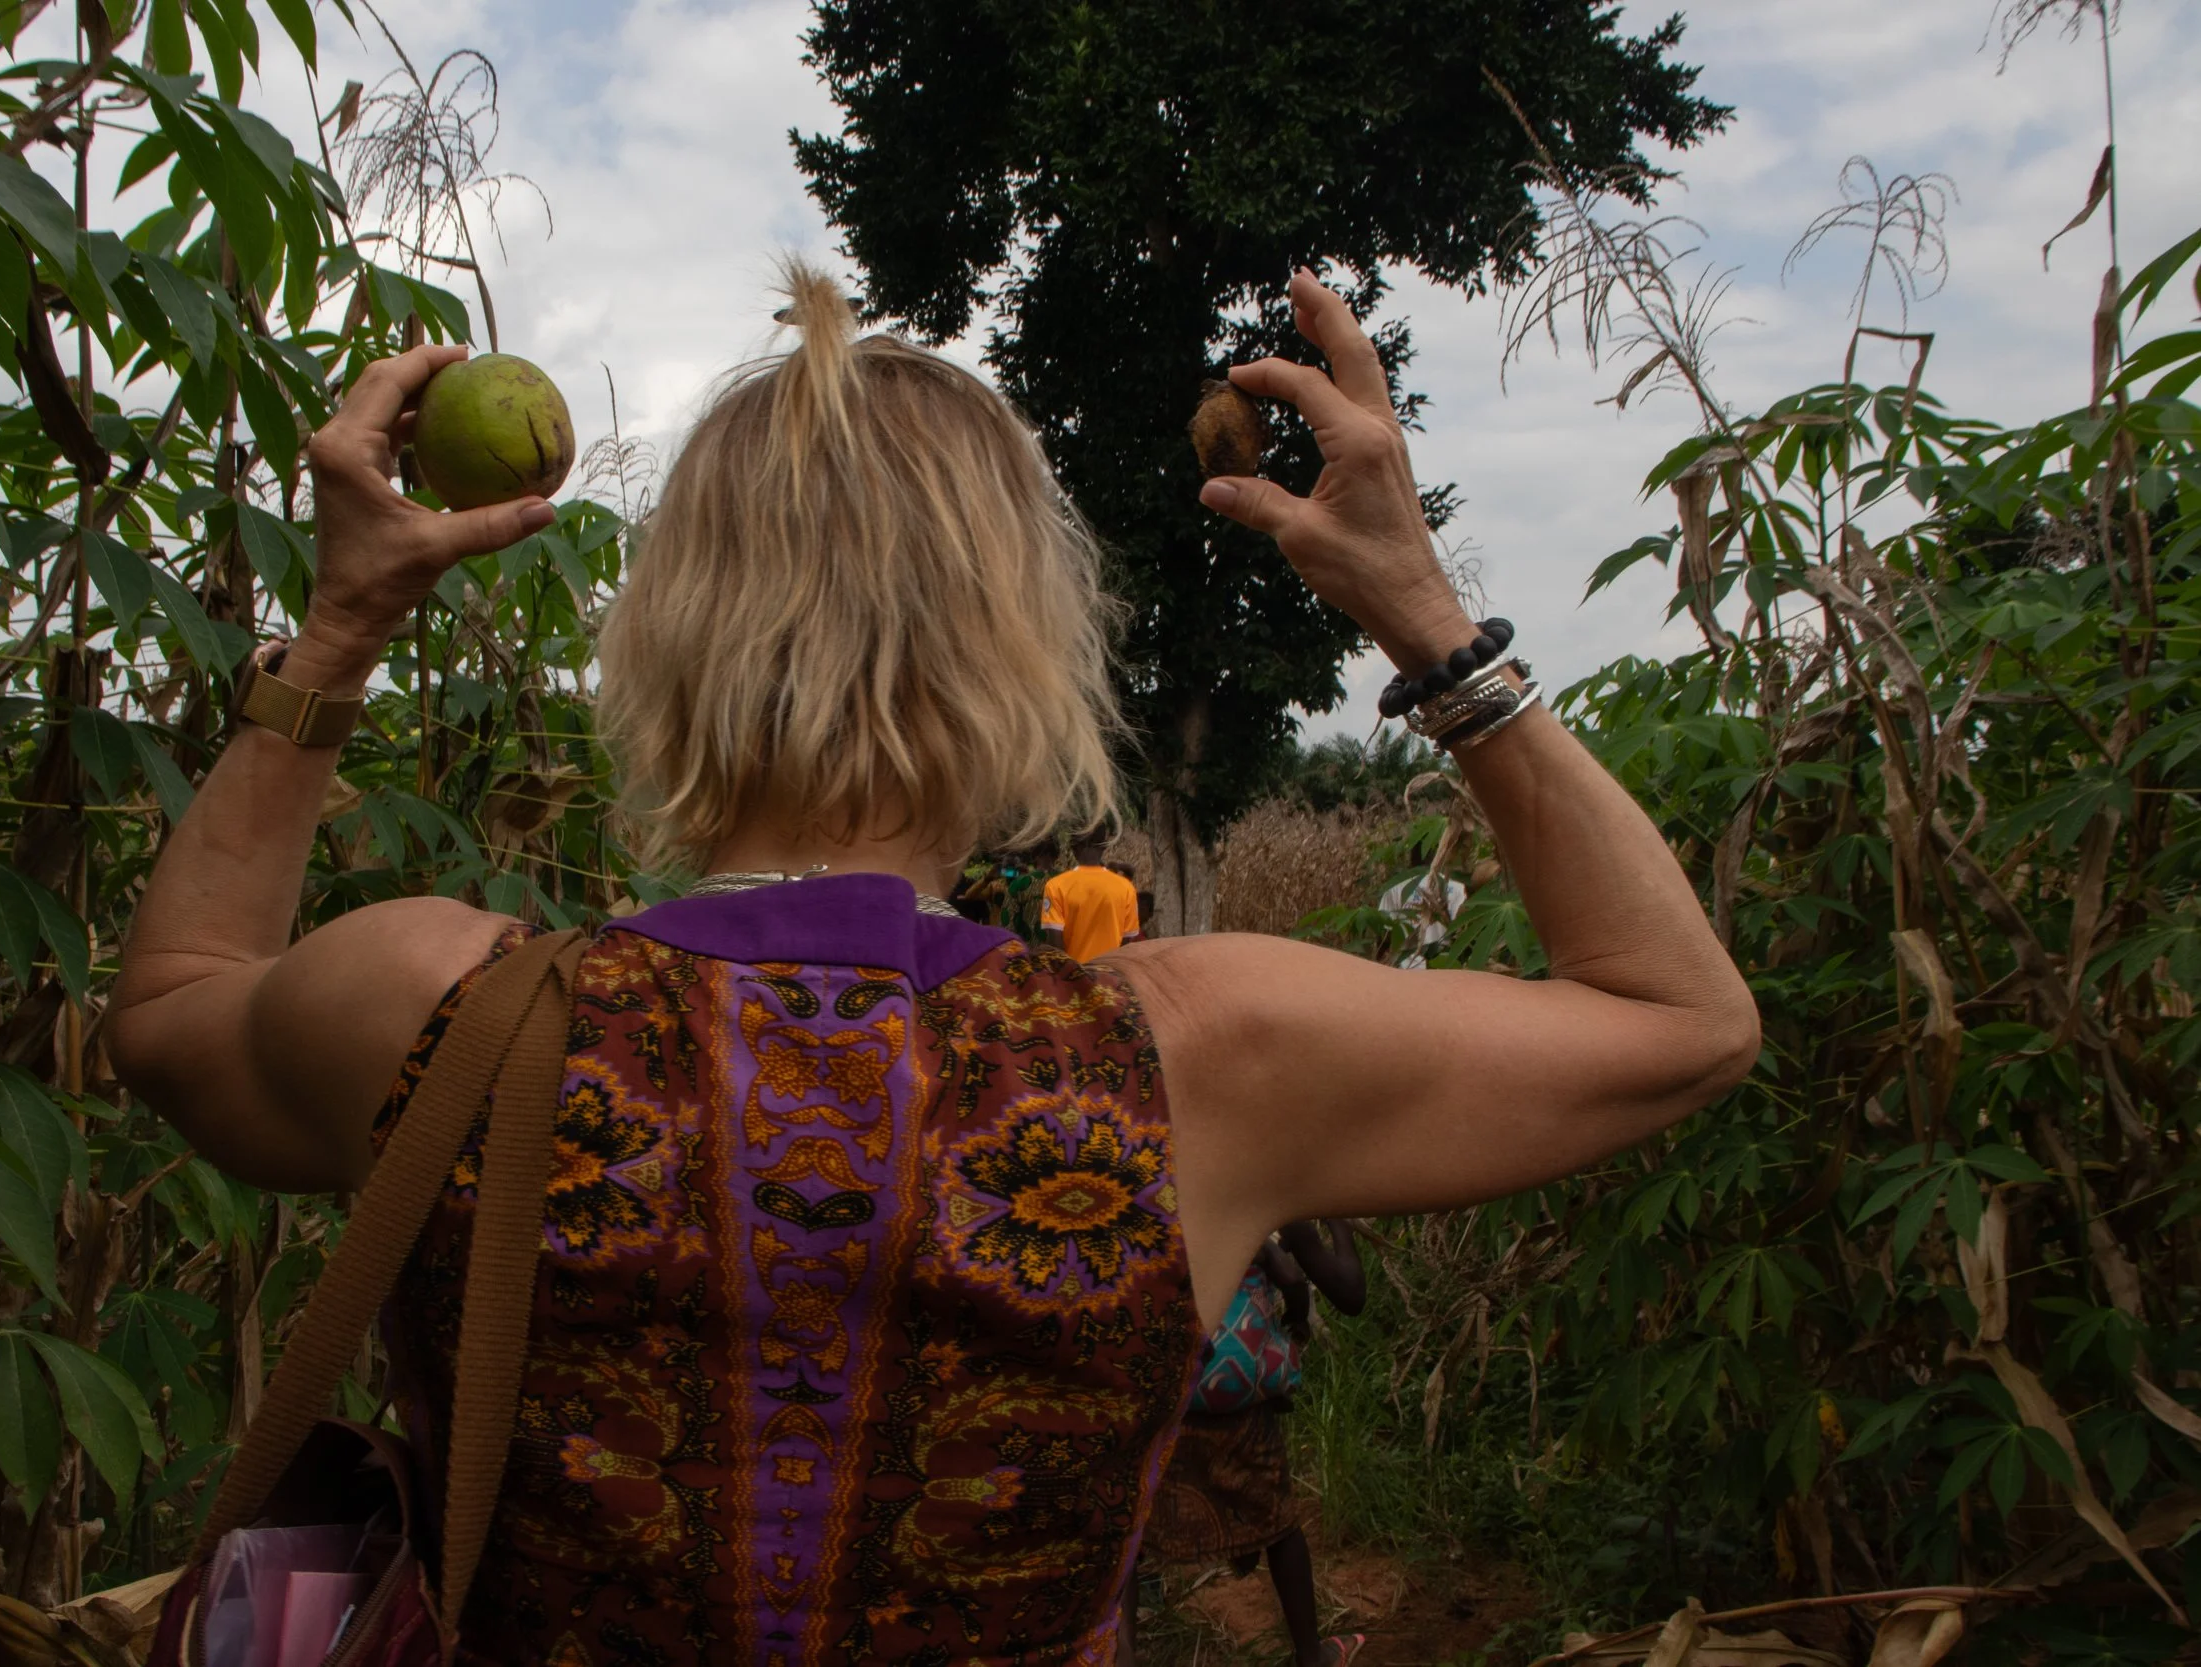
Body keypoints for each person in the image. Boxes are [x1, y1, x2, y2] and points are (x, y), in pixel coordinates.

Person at [109, 262, 1759, 1665]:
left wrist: (337, 634)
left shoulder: (435, 1005)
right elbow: (1676, 1016)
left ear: (665, 627)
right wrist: (1417, 609)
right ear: (1025, 643)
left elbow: (173, 1010)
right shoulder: (1200, 1055)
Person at [1127, 1221, 1366, 1667]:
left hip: (1165, 1397)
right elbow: (1349, 1295)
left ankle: (1118, 1652)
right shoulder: (1278, 1214)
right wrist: (1340, 1220)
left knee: (1132, 1526)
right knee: (1278, 1525)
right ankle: (1310, 1655)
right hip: (1239, 1402)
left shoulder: (1158, 1199)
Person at [1041, 828, 1142, 961]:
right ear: (1104, 847)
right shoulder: (1126, 888)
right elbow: (1127, 941)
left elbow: (1055, 943)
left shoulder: (1056, 886)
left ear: (1073, 847)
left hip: (1075, 977)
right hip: (1111, 976)